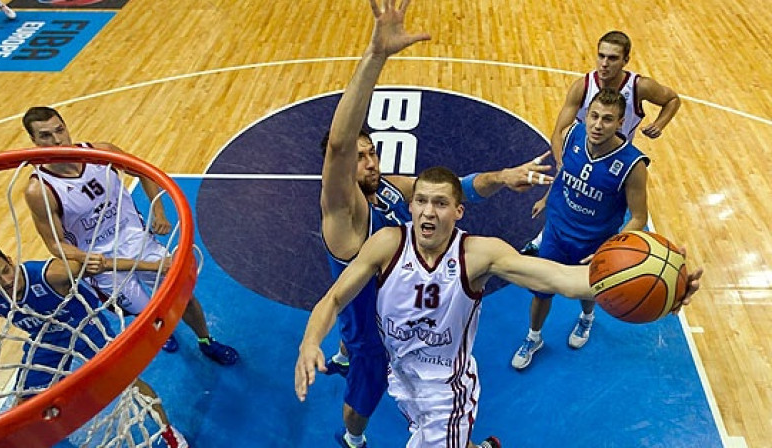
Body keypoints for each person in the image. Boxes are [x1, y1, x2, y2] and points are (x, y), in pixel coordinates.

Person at [295, 166, 703, 448]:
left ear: (458, 211)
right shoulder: (387, 244)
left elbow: (560, 278)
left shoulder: (479, 254)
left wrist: (652, 287)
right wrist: (310, 342)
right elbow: (334, 298)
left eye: (440, 203)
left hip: (446, 392)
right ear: (412, 205)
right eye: (421, 201)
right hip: (400, 373)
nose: (428, 212)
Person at [317, 1, 552, 447]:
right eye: (359, 158)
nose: (370, 162)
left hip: (407, 317)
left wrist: (502, 177)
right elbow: (339, 146)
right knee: (364, 398)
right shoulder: (343, 212)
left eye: (372, 152)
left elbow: (456, 188)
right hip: (373, 334)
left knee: (436, 398)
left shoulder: (387, 186)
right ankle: (352, 439)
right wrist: (376, 55)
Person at [21, 106, 238, 366]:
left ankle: (206, 341)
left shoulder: (101, 152)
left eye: (59, 130)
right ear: (33, 141)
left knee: (183, 298)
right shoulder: (39, 190)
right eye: (45, 136)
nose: (57, 140)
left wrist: (158, 211)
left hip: (136, 240)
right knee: (148, 313)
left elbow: (145, 172)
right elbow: (55, 244)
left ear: (66, 127)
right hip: (102, 265)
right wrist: (82, 256)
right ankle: (162, 331)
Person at [0, 245, 188, 447]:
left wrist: (154, 266)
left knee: (127, 381)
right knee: (25, 404)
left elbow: (102, 265)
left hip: (86, 329)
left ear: (10, 260)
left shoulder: (51, 274)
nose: (6, 281)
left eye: (6, 270)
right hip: (46, 339)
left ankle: (168, 432)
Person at [510, 88, 651, 370]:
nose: (598, 125)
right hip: (556, 232)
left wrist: (611, 250)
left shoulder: (632, 165)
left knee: (588, 292)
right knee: (541, 290)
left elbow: (639, 217)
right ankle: (533, 337)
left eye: (607, 119)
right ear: (586, 116)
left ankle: (587, 318)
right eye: (594, 116)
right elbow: (564, 174)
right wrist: (546, 198)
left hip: (593, 243)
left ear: (620, 122)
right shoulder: (574, 134)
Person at [521, 30, 680, 255]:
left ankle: (609, 254)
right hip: (582, 150)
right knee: (567, 201)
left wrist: (660, 124)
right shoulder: (583, 86)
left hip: (616, 158)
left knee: (607, 213)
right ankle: (542, 238)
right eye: (601, 56)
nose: (604, 64)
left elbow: (672, 99)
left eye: (612, 58)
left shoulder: (639, 87)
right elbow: (558, 133)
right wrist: (564, 164)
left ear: (626, 60)